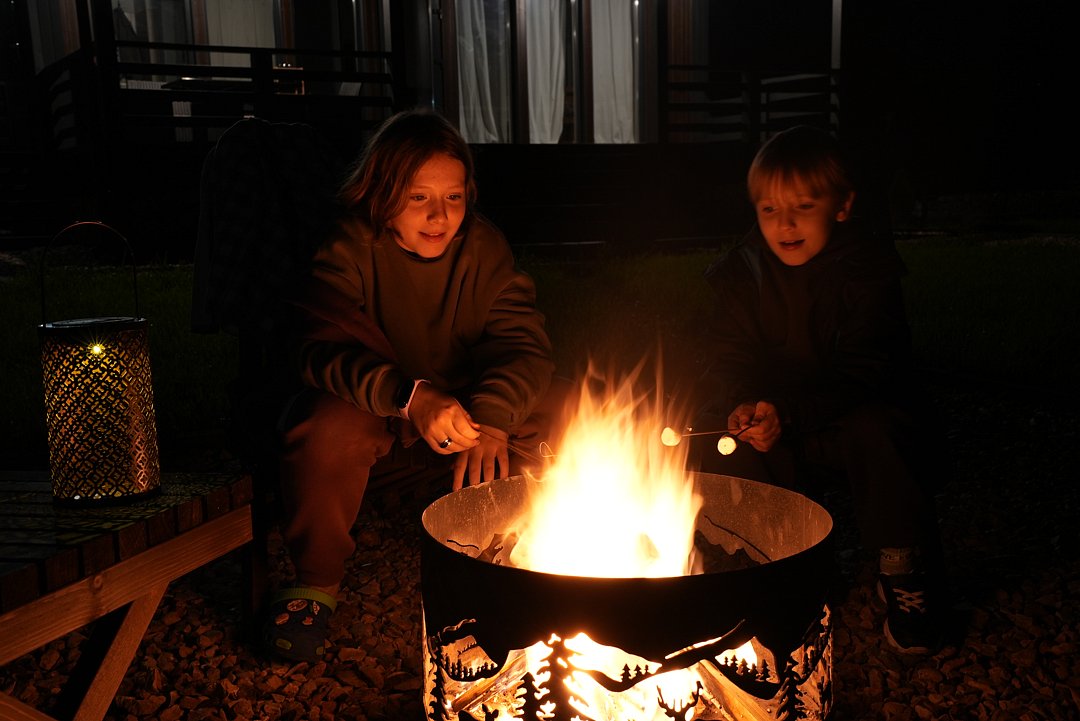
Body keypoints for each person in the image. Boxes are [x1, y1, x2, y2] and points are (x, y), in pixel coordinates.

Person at [264, 109, 562, 662]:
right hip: (377, 414)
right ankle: (317, 579)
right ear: (381, 193)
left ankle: (536, 548)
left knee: (569, 405)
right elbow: (317, 348)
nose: (438, 215)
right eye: (418, 197)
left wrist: (494, 415)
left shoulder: (482, 248)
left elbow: (524, 344)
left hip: (466, 419)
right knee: (322, 428)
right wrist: (409, 397)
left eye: (453, 197)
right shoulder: (349, 248)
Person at [690, 125, 947, 654]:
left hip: (847, 415)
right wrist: (743, 401)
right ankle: (781, 562)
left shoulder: (867, 271)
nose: (784, 224)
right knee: (722, 437)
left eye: (803, 207)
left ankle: (902, 567)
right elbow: (728, 357)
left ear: (842, 206)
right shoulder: (743, 274)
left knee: (884, 429)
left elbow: (870, 367)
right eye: (769, 209)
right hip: (778, 422)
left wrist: (790, 410)